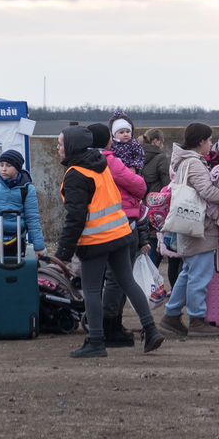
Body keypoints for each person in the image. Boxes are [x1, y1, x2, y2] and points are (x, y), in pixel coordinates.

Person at [54, 126, 164, 358]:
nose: (58, 147)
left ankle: (96, 341)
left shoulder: (75, 173)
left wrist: (63, 251)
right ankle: (151, 330)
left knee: (92, 289)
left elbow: (75, 217)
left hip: (95, 239)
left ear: (71, 145)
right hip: (121, 234)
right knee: (128, 282)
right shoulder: (101, 164)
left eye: (61, 143)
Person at [158, 123, 219, 339]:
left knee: (188, 272)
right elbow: (207, 191)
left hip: (191, 226)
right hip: (200, 227)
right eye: (209, 140)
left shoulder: (185, 161)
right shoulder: (195, 163)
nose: (211, 144)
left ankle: (171, 315)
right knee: (200, 275)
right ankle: (197, 319)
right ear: (200, 142)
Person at [87, 121, 147, 347]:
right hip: (121, 221)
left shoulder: (81, 162)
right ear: (108, 140)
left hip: (94, 225)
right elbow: (139, 186)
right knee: (120, 277)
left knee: (99, 280)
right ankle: (111, 325)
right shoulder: (110, 161)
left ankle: (103, 324)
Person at [0, 149, 45, 261]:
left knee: (14, 270)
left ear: (17, 168)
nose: (3, 169)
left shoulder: (27, 189)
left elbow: (32, 219)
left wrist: (39, 247)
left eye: (8, 165)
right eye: (1, 165)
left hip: (16, 240)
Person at [141, 128, 170, 195]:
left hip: (140, 197)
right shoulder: (161, 158)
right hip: (156, 198)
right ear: (156, 141)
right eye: (162, 142)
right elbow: (167, 182)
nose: (163, 146)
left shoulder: (137, 155)